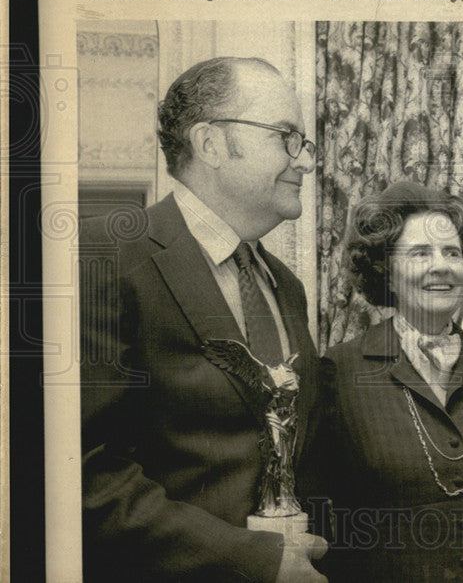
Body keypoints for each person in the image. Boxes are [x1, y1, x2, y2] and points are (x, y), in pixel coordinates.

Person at [79, 57, 327, 582]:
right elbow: (84, 472)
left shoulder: (286, 287)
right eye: (287, 136)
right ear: (211, 143)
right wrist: (254, 561)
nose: (306, 161)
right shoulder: (108, 255)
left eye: (304, 143)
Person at [304, 181, 463, 582]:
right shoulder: (339, 371)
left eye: (451, 252)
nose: (440, 265)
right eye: (419, 253)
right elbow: (317, 519)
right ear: (385, 269)